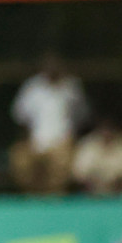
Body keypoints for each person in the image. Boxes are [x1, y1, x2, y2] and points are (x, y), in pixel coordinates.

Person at [9, 53, 87, 194]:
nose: (52, 68)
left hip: (63, 142)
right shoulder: (31, 87)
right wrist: (28, 140)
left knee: (61, 166)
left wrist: (71, 138)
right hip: (36, 141)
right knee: (20, 160)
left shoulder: (72, 87)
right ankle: (32, 200)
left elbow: (82, 116)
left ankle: (55, 202)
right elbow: (19, 117)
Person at [72, 112, 122, 195]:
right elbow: (79, 174)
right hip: (92, 195)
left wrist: (115, 185)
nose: (107, 132)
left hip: (120, 195)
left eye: (110, 128)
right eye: (104, 128)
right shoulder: (87, 144)